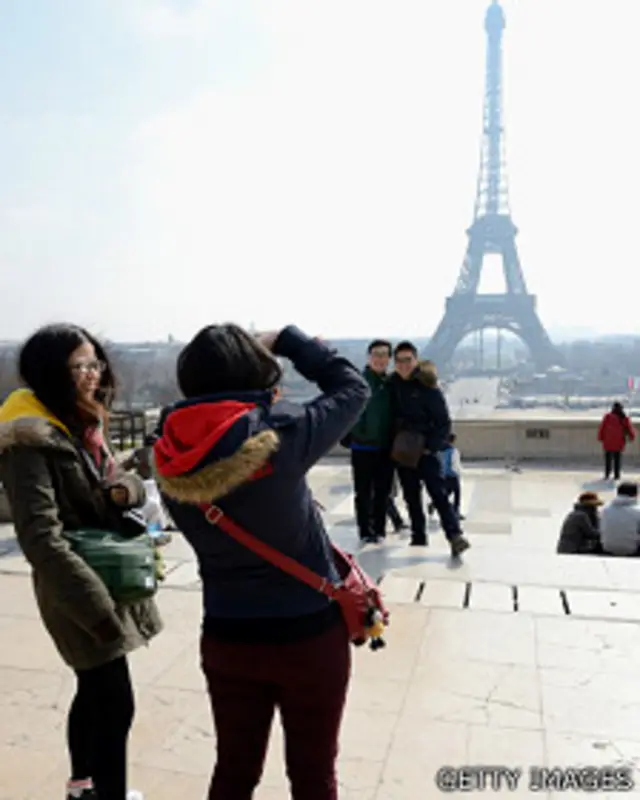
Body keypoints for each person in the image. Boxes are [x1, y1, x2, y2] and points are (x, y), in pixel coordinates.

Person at [152, 325, 369, 800]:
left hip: (228, 634)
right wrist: (291, 341)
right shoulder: (280, 435)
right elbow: (354, 387)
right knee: (313, 776)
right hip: (308, 635)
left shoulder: (167, 455)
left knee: (234, 771)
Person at [0, 324, 162, 800]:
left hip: (101, 571)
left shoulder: (81, 422)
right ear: (53, 372)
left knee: (93, 691)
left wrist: (123, 489)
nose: (93, 374)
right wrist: (97, 612)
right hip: (74, 587)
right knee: (115, 701)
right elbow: (40, 537)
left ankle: (81, 785)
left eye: (95, 363)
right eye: (80, 366)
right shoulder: (27, 439)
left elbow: (118, 482)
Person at [388, 344, 470, 556]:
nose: (403, 365)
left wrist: (429, 447)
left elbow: (443, 422)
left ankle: (454, 535)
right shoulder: (391, 385)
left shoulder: (427, 386)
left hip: (425, 453)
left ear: (416, 360)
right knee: (412, 498)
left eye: (408, 360)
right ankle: (419, 538)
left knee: (439, 495)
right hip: (404, 452)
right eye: (399, 361)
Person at [341, 339, 394, 543]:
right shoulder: (359, 383)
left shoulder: (390, 384)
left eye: (384, 355)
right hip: (363, 446)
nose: (380, 359)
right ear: (369, 357)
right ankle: (365, 530)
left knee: (382, 491)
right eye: (376, 354)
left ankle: (378, 530)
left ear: (389, 358)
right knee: (363, 491)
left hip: (384, 446)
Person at [428, 433, 464, 520]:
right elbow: (455, 463)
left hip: (443, 475)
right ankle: (456, 512)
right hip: (452, 475)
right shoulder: (453, 451)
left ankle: (433, 504)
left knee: (446, 493)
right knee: (456, 494)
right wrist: (458, 472)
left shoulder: (440, 450)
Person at [597, 402, 636, 481]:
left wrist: (600, 437)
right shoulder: (624, 418)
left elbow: (602, 428)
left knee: (608, 459)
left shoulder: (607, 417)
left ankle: (607, 473)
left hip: (608, 442)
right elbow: (629, 429)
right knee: (617, 459)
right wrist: (632, 437)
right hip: (619, 442)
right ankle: (616, 475)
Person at [600, 482, 640, 556]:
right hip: (632, 549)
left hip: (607, 547)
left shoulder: (605, 510)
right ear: (636, 494)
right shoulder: (637, 511)